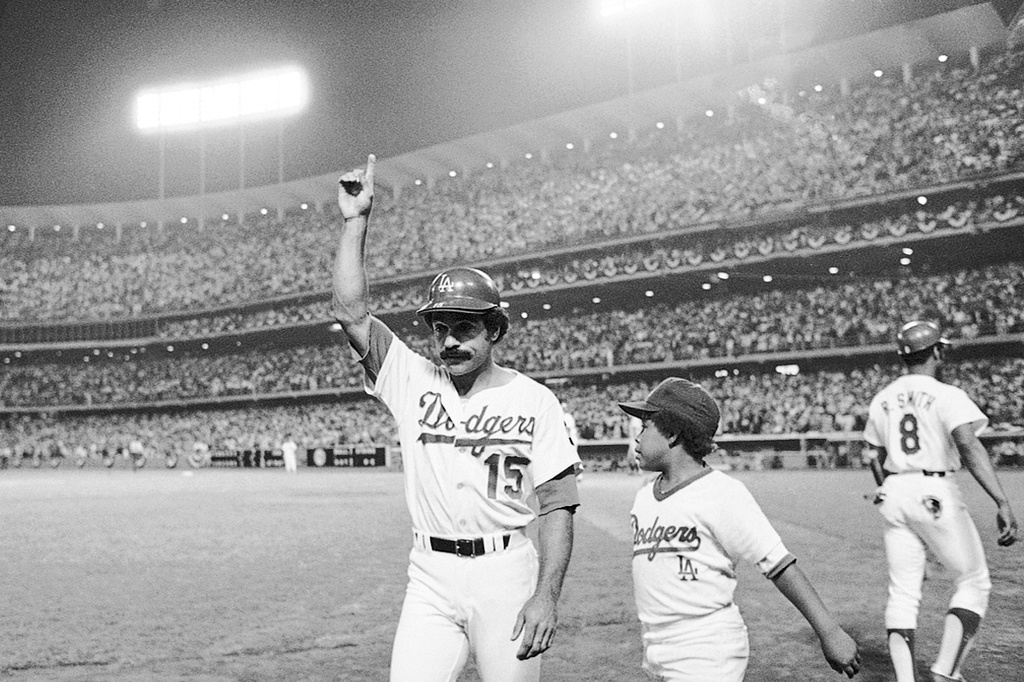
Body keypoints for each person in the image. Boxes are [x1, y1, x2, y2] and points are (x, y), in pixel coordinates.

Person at [333, 154, 581, 682]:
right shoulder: (412, 378)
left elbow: (559, 505)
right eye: (440, 328)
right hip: (429, 572)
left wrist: (546, 596)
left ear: (494, 329)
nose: (448, 340)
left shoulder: (535, 399)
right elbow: (351, 312)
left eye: (464, 327)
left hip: (507, 570)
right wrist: (357, 222)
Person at [620, 377, 860, 681]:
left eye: (645, 427)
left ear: (672, 433)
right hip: (655, 645)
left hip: (706, 645)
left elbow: (779, 565)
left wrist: (829, 631)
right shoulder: (644, 495)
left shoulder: (721, 493)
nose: (637, 439)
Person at [863, 320, 1018, 682]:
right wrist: (1000, 499)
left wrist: (886, 487)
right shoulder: (946, 393)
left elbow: (871, 453)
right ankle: (946, 672)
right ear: (936, 351)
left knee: (903, 593)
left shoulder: (882, 397)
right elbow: (967, 443)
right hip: (934, 489)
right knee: (973, 581)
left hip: (895, 489)